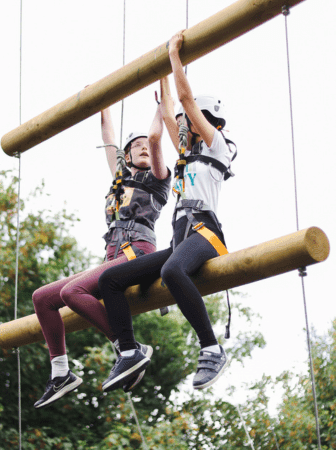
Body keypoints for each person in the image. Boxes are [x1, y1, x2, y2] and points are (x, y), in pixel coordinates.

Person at [98, 31, 235, 393]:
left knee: (172, 271)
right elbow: (170, 107)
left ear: (207, 121)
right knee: (109, 281)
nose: (184, 128)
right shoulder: (187, 154)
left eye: (190, 123)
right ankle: (127, 352)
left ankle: (211, 347)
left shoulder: (217, 148)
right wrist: (162, 68)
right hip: (179, 240)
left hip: (204, 233)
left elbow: (185, 101)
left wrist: (175, 56)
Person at [32, 98, 171, 409]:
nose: (144, 148)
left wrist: (162, 105)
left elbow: (156, 137)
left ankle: (129, 347)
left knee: (72, 291)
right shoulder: (120, 179)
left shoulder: (158, 179)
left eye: (146, 145)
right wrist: (102, 100)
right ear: (127, 155)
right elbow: (107, 135)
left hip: (137, 251)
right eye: (137, 146)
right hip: (112, 257)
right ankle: (61, 373)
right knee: (42, 297)